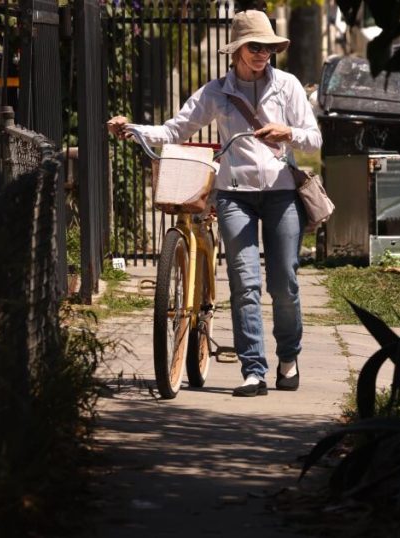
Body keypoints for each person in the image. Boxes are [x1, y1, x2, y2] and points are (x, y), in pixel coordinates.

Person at [107, 9, 322, 397]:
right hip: (234, 195)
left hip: (281, 193)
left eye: (268, 48)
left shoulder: (287, 86)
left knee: (284, 283)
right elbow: (175, 129)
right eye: (254, 47)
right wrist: (132, 129)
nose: (262, 54)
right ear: (237, 50)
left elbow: (314, 138)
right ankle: (253, 370)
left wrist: (287, 132)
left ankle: (288, 357)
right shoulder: (216, 92)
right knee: (244, 282)